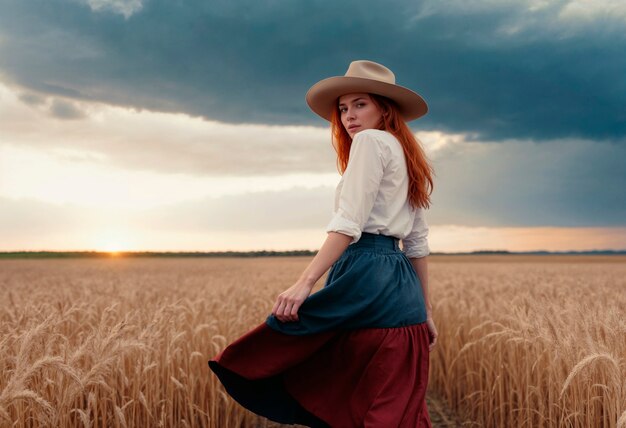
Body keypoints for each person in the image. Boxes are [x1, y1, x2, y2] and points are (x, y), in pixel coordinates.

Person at [209, 60, 438, 428]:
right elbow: (416, 242)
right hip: (401, 288)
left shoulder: (369, 141)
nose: (349, 116)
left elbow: (349, 223)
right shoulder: (405, 153)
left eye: (360, 104)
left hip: (364, 272)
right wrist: (426, 309)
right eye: (343, 108)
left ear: (384, 107)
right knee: (394, 406)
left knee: (321, 376)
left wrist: (305, 282)